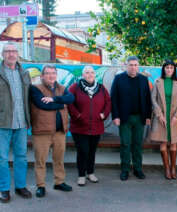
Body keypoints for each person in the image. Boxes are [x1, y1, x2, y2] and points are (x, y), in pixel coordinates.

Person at [30, 65, 74, 198]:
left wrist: (54, 99)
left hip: (59, 131)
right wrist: (61, 103)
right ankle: (40, 186)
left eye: (53, 73)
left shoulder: (62, 88)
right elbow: (42, 104)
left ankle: (59, 182)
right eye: (48, 73)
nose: (51, 76)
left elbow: (71, 99)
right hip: (42, 131)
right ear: (42, 75)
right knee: (40, 161)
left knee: (59, 159)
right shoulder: (35, 88)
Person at [110, 56, 152, 181]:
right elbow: (114, 99)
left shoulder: (143, 80)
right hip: (124, 118)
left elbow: (147, 99)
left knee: (138, 144)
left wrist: (148, 116)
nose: (133, 67)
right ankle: (125, 170)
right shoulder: (119, 79)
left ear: (138, 66)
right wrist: (115, 116)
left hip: (140, 118)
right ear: (126, 66)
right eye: (131, 65)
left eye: (135, 65)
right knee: (125, 144)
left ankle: (138, 169)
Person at [68, 66, 111, 186]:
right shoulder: (75, 87)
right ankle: (81, 175)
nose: (90, 74)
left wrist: (104, 115)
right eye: (87, 72)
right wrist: (78, 116)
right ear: (83, 75)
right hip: (79, 127)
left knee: (92, 151)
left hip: (96, 126)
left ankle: (90, 173)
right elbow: (69, 102)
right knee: (83, 151)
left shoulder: (101, 88)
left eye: (92, 72)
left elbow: (108, 102)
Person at [0, 43, 32, 203]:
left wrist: (28, 118)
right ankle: (4, 189)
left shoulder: (24, 73)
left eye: (13, 51)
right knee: (2, 158)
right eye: (8, 51)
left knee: (21, 156)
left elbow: (29, 97)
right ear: (2, 54)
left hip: (21, 123)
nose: (11, 54)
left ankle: (20, 186)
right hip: (2, 123)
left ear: (17, 54)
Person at [150, 60, 177, 180]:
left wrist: (176, 116)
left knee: (173, 143)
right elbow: (153, 99)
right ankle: (167, 169)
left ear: (174, 69)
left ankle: (173, 168)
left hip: (173, 117)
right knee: (163, 142)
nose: (169, 69)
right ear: (164, 69)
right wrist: (159, 115)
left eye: (171, 68)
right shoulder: (158, 82)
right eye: (167, 67)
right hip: (162, 117)